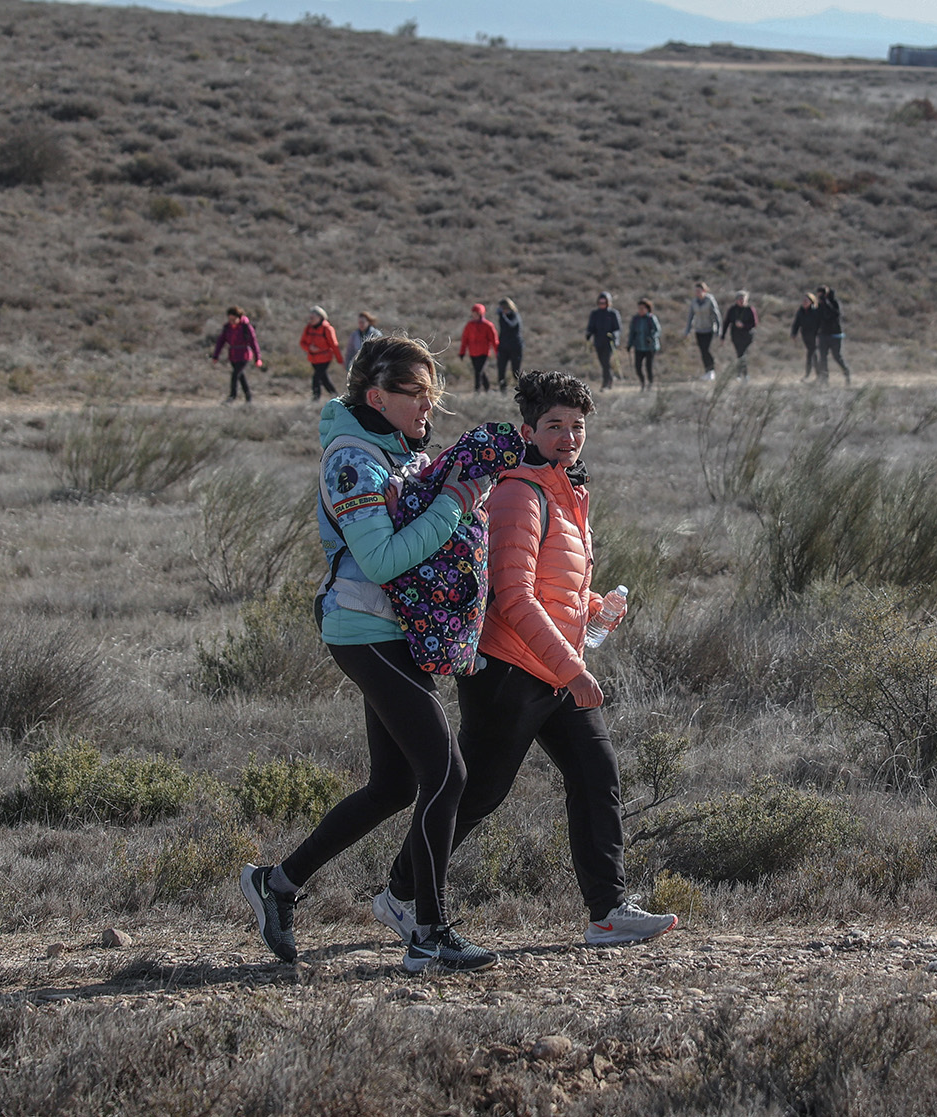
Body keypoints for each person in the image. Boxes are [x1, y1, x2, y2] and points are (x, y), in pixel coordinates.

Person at [240, 336, 509, 973]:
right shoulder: (353, 461)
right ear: (376, 396)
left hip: (399, 631)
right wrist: (453, 505)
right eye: (416, 394)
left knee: (394, 784)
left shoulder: (400, 451)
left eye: (433, 395)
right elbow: (383, 558)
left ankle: (277, 884)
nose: (428, 407)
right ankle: (429, 933)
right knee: (449, 774)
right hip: (363, 630)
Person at [389, 372, 677, 950]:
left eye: (577, 426)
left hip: (556, 665)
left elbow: (553, 586)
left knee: (597, 777)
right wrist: (573, 670)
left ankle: (608, 912)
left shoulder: (569, 491)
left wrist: (596, 609)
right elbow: (512, 596)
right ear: (529, 430)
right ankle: (400, 893)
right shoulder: (521, 491)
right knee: (478, 793)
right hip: (509, 671)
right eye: (554, 426)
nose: (568, 436)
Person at [211, 306, 261, 403]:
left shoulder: (246, 327)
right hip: (233, 356)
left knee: (235, 375)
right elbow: (220, 342)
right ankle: (248, 397)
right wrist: (215, 356)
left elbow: (253, 343)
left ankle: (232, 396)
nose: (232, 322)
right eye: (230, 319)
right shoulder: (227, 328)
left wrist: (257, 358)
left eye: (234, 319)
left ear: (239, 317)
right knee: (241, 376)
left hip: (244, 355)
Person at [301, 307, 343, 402]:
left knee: (316, 378)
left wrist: (339, 359)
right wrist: (309, 348)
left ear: (320, 317)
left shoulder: (327, 329)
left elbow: (334, 345)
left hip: (325, 358)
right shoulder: (308, 328)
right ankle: (336, 396)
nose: (311, 319)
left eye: (313, 317)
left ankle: (316, 399)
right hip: (313, 359)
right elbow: (302, 342)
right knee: (324, 379)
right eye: (310, 317)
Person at [585, 292, 622, 391]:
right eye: (600, 302)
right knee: (603, 363)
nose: (602, 304)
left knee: (605, 362)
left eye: (604, 302)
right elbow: (591, 327)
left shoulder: (613, 313)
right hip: (598, 342)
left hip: (609, 342)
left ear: (608, 302)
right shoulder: (595, 314)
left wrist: (614, 335)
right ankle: (610, 379)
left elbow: (617, 328)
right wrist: (589, 333)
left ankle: (606, 384)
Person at [684, 283, 721, 380]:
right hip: (699, 330)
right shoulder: (694, 302)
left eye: (699, 291)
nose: (697, 293)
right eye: (696, 291)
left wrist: (718, 329)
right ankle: (707, 371)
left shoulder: (710, 300)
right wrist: (687, 331)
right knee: (702, 351)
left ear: (704, 291)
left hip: (709, 329)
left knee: (707, 349)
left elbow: (716, 315)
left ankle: (711, 370)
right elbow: (690, 317)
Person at [460, 303, 497, 393]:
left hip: (483, 352)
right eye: (473, 314)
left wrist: (497, 352)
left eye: (476, 314)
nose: (474, 316)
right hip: (473, 353)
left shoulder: (488, 325)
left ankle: (477, 391)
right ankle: (487, 388)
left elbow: (494, 340)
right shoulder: (469, 325)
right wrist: (462, 352)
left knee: (478, 372)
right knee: (480, 371)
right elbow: (465, 339)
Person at [816, 287, 851, 384]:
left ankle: (846, 372)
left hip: (835, 335)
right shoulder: (819, 305)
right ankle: (824, 379)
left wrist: (826, 303)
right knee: (822, 357)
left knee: (837, 356)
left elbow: (835, 315)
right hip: (823, 335)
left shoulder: (834, 303)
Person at [721, 290, 758, 381]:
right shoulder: (732, 310)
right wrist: (723, 336)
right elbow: (726, 323)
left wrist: (743, 325)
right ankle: (743, 374)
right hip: (735, 335)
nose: (741, 301)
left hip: (747, 335)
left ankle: (741, 374)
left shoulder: (750, 309)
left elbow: (754, 323)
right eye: (739, 299)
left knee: (742, 353)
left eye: (743, 299)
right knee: (740, 354)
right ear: (736, 300)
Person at [627, 298, 660, 389]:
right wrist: (629, 344)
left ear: (647, 309)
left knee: (648, 367)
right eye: (639, 308)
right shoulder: (635, 319)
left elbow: (657, 331)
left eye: (642, 308)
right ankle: (642, 382)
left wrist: (651, 338)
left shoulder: (651, 318)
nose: (640, 310)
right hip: (638, 346)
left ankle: (650, 383)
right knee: (638, 367)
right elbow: (632, 332)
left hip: (650, 347)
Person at [496, 298, 525, 393]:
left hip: (515, 346)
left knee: (515, 370)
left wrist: (502, 315)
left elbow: (511, 325)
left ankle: (521, 389)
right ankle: (502, 390)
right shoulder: (502, 317)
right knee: (501, 370)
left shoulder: (515, 316)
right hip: (503, 347)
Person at [791, 292, 822, 379]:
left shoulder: (815, 311)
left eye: (806, 300)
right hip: (805, 335)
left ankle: (813, 375)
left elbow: (819, 323)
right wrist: (794, 333)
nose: (804, 302)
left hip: (815, 336)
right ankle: (813, 375)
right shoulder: (800, 311)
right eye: (803, 300)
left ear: (811, 301)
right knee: (811, 354)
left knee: (812, 354)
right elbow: (796, 323)